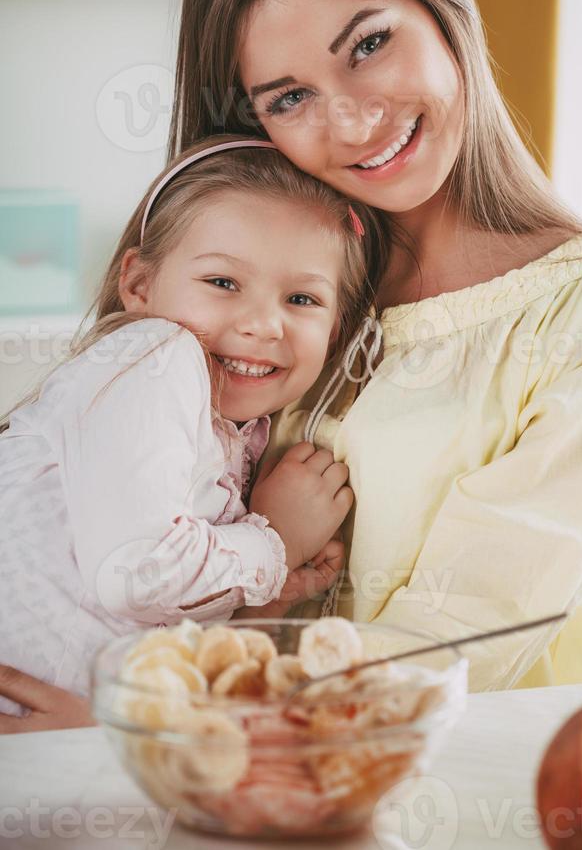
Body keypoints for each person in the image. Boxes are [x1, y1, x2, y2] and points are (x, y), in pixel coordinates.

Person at [3, 0, 582, 729]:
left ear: (441, 1)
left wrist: (151, 720)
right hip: (183, 779)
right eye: (292, 97)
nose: (352, 123)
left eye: (369, 44)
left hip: (413, 793)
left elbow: (461, 642)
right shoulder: (246, 296)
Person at [0, 135, 385, 722]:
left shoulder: (235, 432)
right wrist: (275, 537)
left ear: (335, 331)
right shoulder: (155, 353)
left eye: (302, 298)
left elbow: (143, 621)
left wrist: (264, 604)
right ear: (139, 285)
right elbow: (136, 573)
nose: (262, 323)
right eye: (223, 283)